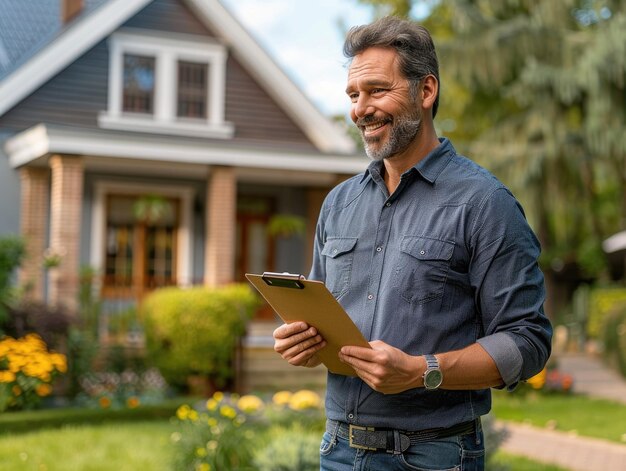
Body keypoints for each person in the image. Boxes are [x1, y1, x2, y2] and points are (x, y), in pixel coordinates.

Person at [273, 15, 552, 471]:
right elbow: (325, 315)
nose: (361, 108)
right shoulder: (337, 204)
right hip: (338, 450)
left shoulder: (485, 203)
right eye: (353, 95)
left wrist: (423, 371)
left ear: (426, 91)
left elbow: (528, 341)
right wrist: (304, 341)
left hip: (435, 456)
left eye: (377, 90)